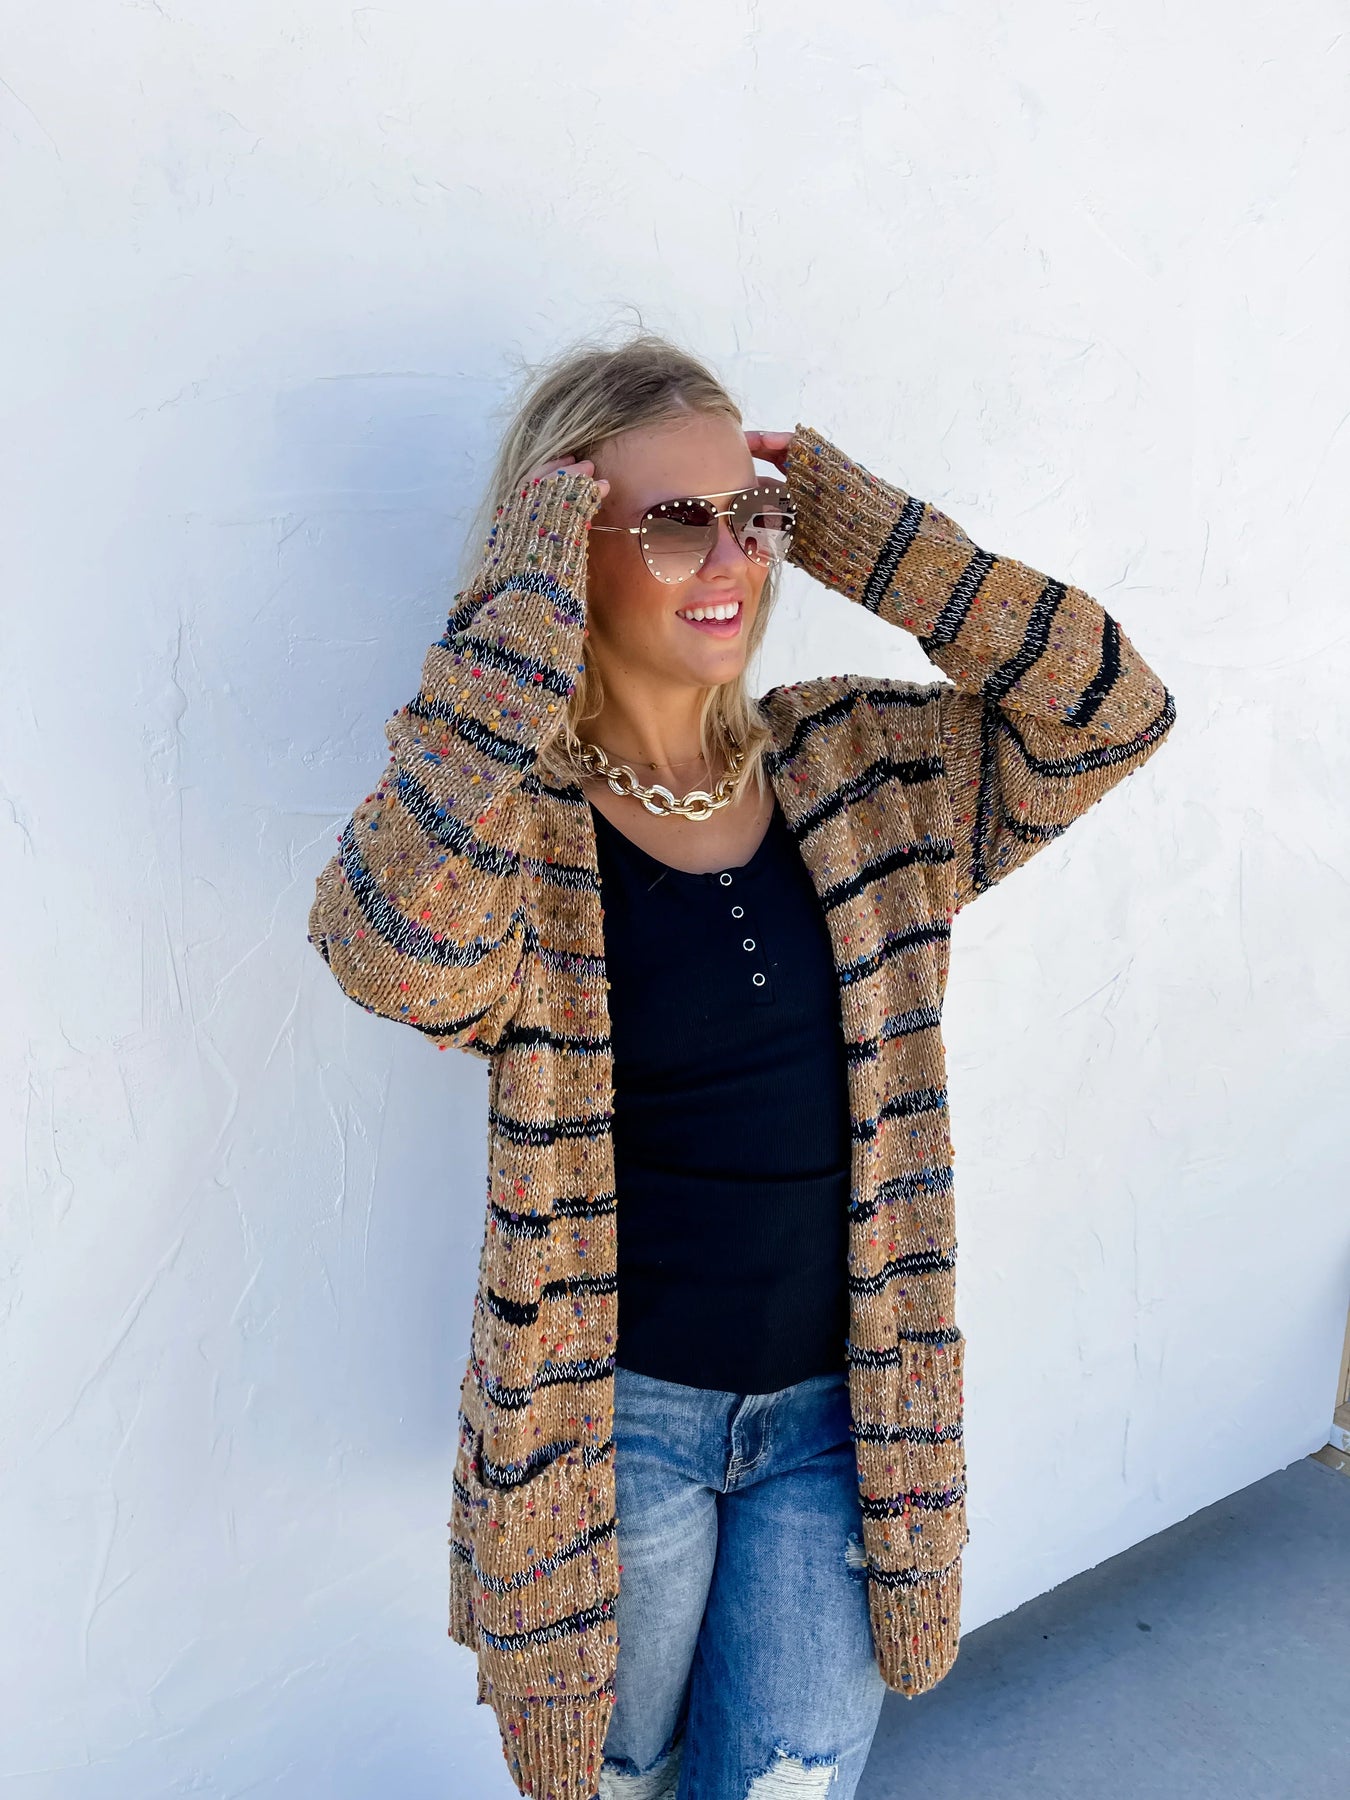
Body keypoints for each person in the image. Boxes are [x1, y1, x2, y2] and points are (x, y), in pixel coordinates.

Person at [306, 331, 1177, 1800]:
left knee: (787, 1780)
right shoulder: (518, 829)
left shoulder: (861, 770)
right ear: (559, 552)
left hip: (845, 1421)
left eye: (752, 516)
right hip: (614, 1432)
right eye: (671, 522)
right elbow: (386, 946)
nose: (730, 559)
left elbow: (1110, 713)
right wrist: (514, 627)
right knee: (623, 1779)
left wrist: (872, 538)